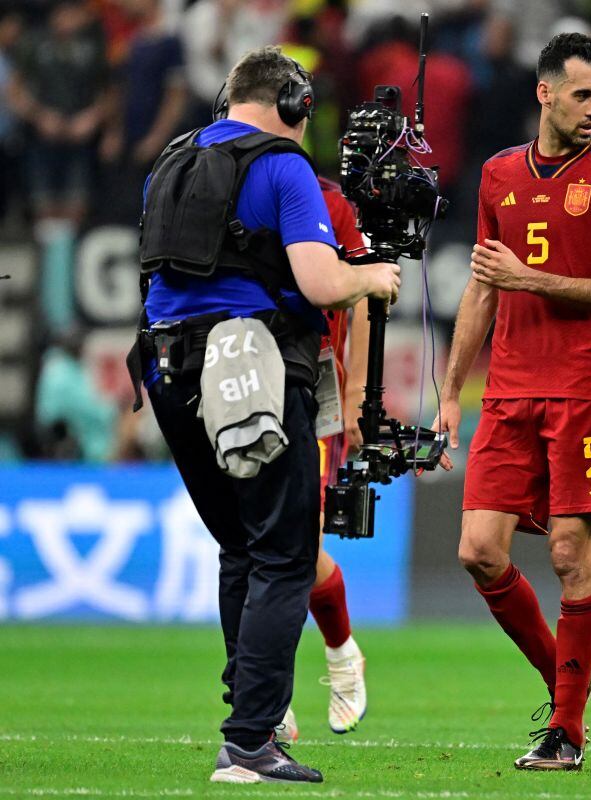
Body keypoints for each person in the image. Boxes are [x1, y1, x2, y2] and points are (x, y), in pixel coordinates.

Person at [132, 46, 399, 784]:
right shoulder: (284, 166)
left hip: (167, 368)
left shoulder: (171, 161)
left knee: (241, 551)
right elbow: (318, 282)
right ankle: (251, 741)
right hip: (250, 365)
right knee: (284, 555)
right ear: (294, 106)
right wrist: (371, 276)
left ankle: (250, 720)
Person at [434, 33, 591, 771]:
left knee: (567, 553)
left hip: (583, 385)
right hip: (507, 388)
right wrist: (450, 392)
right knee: (478, 549)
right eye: (583, 94)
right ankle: (568, 679)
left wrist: (530, 278)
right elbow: (482, 286)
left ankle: (567, 730)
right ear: (545, 92)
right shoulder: (498, 174)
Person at [277, 177, 371, 743]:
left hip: (312, 391)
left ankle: (339, 654)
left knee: (298, 548)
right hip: (242, 384)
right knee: (249, 547)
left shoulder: (329, 201)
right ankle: (268, 694)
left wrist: (356, 391)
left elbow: (363, 294)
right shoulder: (222, 184)